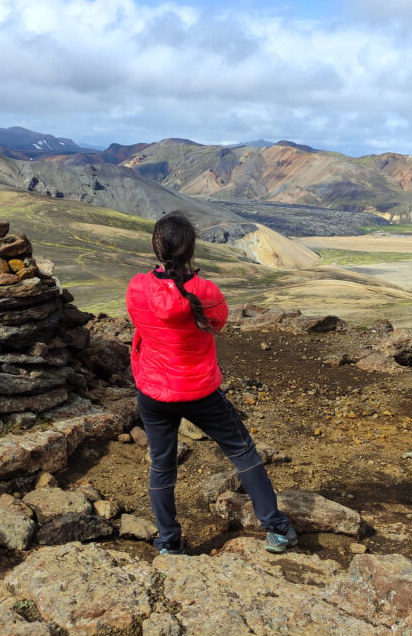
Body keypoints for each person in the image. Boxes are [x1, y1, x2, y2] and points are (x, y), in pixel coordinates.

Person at [126, 211, 297, 555]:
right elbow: (217, 324)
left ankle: (169, 543)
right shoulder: (206, 291)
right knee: (242, 451)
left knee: (162, 465)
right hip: (199, 390)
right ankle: (276, 529)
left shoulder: (137, 287)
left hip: (154, 391)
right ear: (191, 251)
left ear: (155, 248)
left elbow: (142, 323)